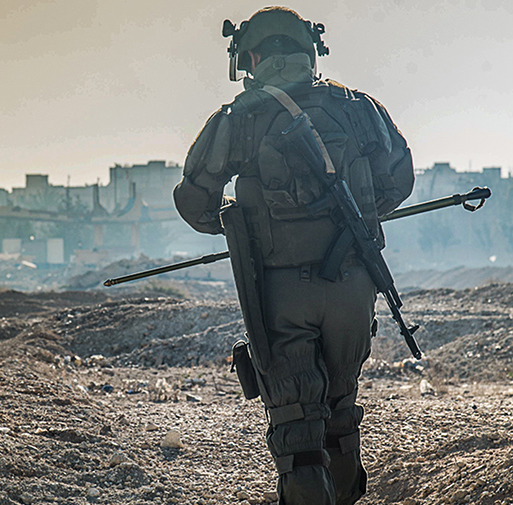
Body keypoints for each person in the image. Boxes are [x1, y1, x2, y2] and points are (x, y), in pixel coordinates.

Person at [173, 6, 414, 505]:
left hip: (280, 293)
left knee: (297, 430)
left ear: (249, 58)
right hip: (352, 288)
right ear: (311, 52)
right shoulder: (358, 108)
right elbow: (398, 180)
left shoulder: (237, 119)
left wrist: (237, 223)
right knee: (340, 413)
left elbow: (195, 203)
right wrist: (352, 218)